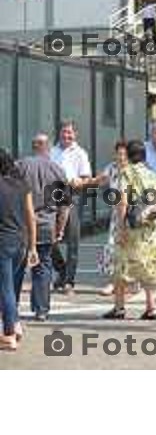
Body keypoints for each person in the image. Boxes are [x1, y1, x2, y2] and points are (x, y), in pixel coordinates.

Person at [103, 140, 156, 320]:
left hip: (131, 225)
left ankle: (119, 307)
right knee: (148, 265)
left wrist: (121, 227)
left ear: (129, 156)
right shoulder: (152, 174)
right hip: (149, 225)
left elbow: (122, 201)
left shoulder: (127, 173)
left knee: (122, 264)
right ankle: (151, 307)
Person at [14, 134, 69, 322]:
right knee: (43, 266)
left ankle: (11, 306)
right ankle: (41, 310)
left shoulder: (19, 166)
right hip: (47, 224)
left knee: (17, 266)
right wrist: (60, 229)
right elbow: (64, 206)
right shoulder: (58, 170)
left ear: (33, 146)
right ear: (48, 148)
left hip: (21, 224)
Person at [0, 149, 38, 351]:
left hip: (2, 243)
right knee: (11, 288)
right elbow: (31, 217)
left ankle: (8, 335)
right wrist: (33, 247)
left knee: (5, 289)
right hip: (21, 242)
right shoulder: (22, 186)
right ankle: (15, 324)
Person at [50, 119, 92, 293]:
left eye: (69, 132)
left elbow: (87, 178)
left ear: (75, 134)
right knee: (48, 236)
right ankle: (61, 269)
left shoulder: (80, 153)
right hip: (52, 193)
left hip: (73, 194)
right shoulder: (51, 151)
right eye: (63, 132)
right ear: (59, 133)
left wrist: (79, 181)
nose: (66, 135)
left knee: (72, 239)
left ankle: (69, 280)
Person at [94, 141, 129, 297]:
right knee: (112, 245)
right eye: (118, 153)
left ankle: (131, 281)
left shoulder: (133, 169)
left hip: (132, 213)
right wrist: (83, 182)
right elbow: (99, 180)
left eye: (124, 154)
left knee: (131, 247)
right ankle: (113, 281)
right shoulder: (112, 168)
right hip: (116, 213)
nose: (121, 157)